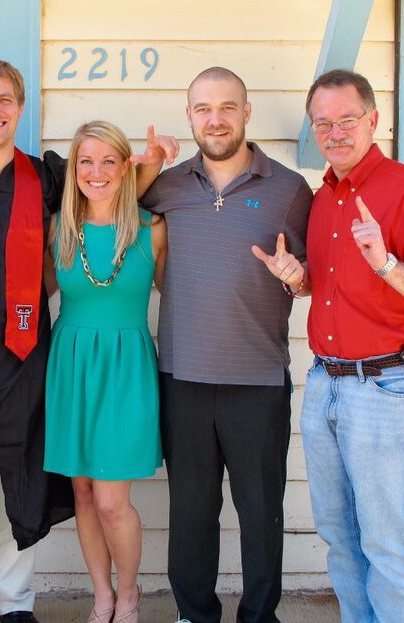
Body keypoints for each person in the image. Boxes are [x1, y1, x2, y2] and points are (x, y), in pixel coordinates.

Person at [0, 57, 176, 623]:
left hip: (25, 361)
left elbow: (102, 198)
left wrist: (148, 167)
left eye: (4, 100)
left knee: (17, 486)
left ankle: (16, 603)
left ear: (20, 107)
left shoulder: (45, 176)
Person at [253, 69, 404, 622]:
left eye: (347, 119)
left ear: (374, 120)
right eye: (323, 122)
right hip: (327, 383)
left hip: (388, 388)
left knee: (386, 538)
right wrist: (297, 278)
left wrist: (387, 263)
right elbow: (331, 286)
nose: (335, 131)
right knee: (339, 535)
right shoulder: (325, 197)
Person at [140, 67, 312, 623]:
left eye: (226, 107)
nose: (215, 119)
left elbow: (311, 275)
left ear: (246, 111)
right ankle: (196, 614)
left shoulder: (289, 189)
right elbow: (105, 201)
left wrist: (297, 275)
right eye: (203, 109)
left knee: (261, 513)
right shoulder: (164, 186)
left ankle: (260, 616)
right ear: (189, 116)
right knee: (192, 513)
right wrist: (145, 164)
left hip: (258, 380)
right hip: (183, 377)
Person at [43, 121, 167, 623]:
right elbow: (36, 294)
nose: (96, 172)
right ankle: (102, 596)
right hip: (71, 367)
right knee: (84, 493)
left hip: (125, 371)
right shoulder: (58, 229)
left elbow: (183, 296)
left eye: (108, 161)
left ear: (126, 167)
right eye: (86, 162)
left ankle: (130, 593)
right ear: (74, 170)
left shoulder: (152, 229)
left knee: (114, 501)